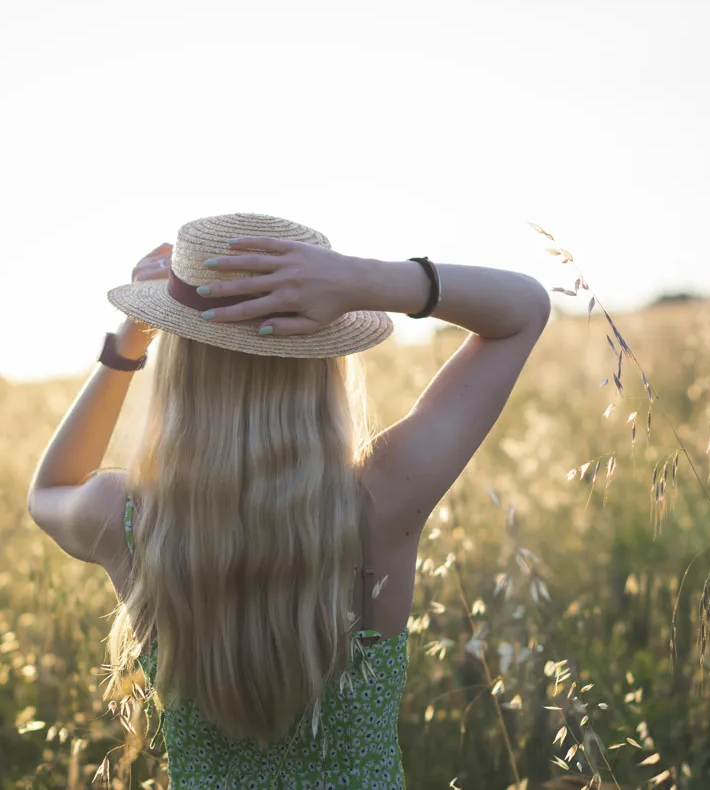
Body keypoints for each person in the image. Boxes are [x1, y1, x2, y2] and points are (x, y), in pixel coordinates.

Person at [27, 212, 550, 787]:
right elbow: (523, 310)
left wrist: (129, 339)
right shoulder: (383, 495)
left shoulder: (125, 518)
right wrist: (359, 280)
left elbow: (48, 491)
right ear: (325, 359)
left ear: (180, 364)